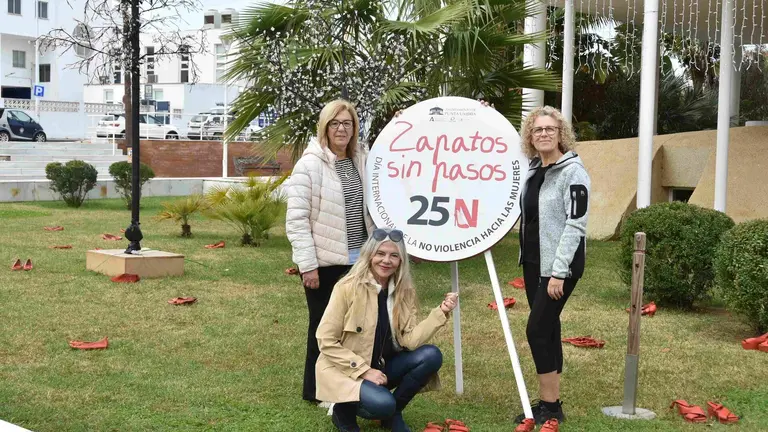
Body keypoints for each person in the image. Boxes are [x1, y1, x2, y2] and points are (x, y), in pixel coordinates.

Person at [315, 228, 459, 432]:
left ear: (401, 260)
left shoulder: (404, 290)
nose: (386, 261)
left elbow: (408, 340)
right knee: (383, 404)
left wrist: (441, 312)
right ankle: (343, 413)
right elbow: (325, 340)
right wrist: (364, 371)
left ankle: (394, 414)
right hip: (347, 370)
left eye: (394, 256)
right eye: (380, 254)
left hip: (381, 367)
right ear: (369, 255)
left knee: (431, 356)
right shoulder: (346, 287)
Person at [286, 99, 374, 405]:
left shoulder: (361, 159)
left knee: (356, 329)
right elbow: (296, 220)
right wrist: (307, 265)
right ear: (324, 127)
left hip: (359, 261)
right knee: (325, 328)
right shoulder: (309, 164)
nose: (341, 129)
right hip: (325, 263)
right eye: (335, 123)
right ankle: (316, 391)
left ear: (354, 128)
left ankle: (347, 387)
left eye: (347, 124)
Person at [514, 106, 590, 425]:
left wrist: (559, 271)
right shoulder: (534, 169)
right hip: (533, 264)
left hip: (560, 266)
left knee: (537, 330)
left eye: (550, 129)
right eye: (537, 130)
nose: (543, 134)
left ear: (561, 134)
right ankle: (552, 402)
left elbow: (576, 223)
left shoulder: (573, 171)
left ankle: (550, 404)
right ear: (530, 137)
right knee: (549, 328)